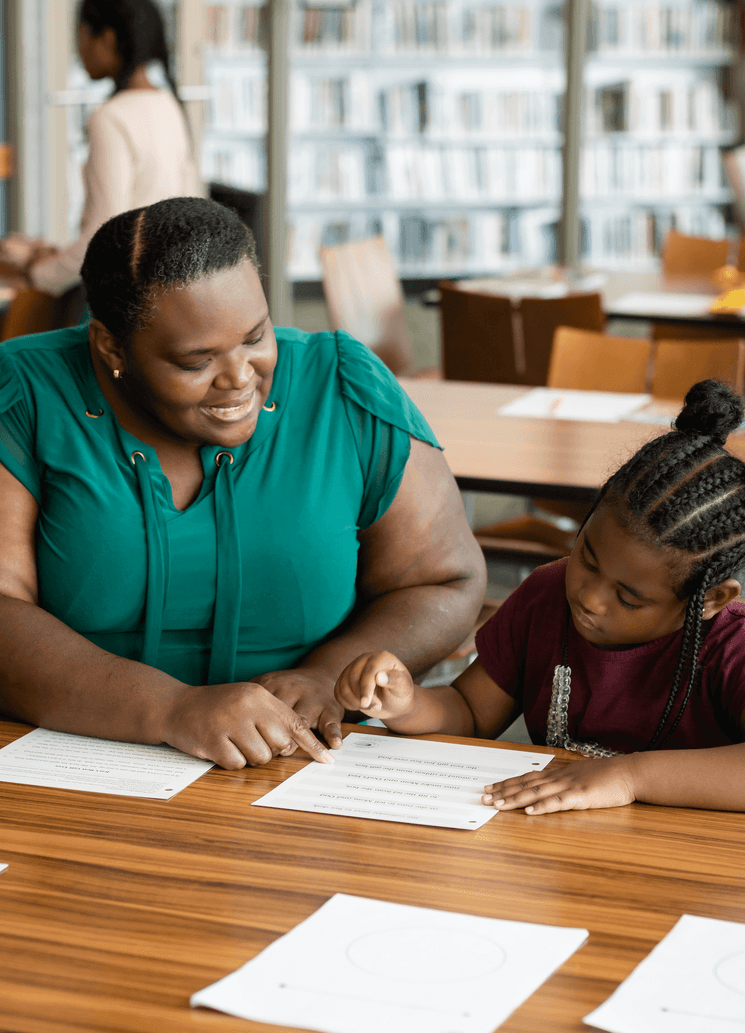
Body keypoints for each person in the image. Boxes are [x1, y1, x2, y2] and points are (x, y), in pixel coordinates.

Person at [0, 196, 486, 769]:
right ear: (111, 346)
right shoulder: (23, 396)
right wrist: (171, 709)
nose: (239, 379)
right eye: (194, 361)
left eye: (255, 336)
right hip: (70, 764)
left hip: (306, 768)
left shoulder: (342, 387)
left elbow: (444, 580)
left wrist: (330, 675)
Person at [335, 379, 745, 813]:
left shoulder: (732, 647)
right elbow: (471, 714)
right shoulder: (546, 598)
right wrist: (407, 704)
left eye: (628, 598)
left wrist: (629, 775)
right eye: (586, 558)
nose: (589, 597)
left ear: (711, 599)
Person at [0, 0, 200, 296]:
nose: (78, 50)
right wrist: (52, 252)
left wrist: (32, 271)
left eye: (80, 35)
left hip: (123, 302)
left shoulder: (111, 117)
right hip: (166, 295)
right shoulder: (168, 105)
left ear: (106, 38)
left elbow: (102, 240)